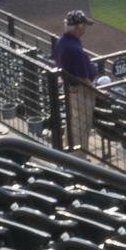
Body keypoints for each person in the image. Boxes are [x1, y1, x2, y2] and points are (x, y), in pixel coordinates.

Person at [52, 12, 99, 153]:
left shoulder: (61, 42)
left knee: (73, 124)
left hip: (69, 89)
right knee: (81, 128)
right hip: (80, 93)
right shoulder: (74, 49)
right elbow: (83, 79)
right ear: (78, 27)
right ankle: (78, 161)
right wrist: (99, 93)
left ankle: (69, 152)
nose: (85, 28)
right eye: (84, 25)